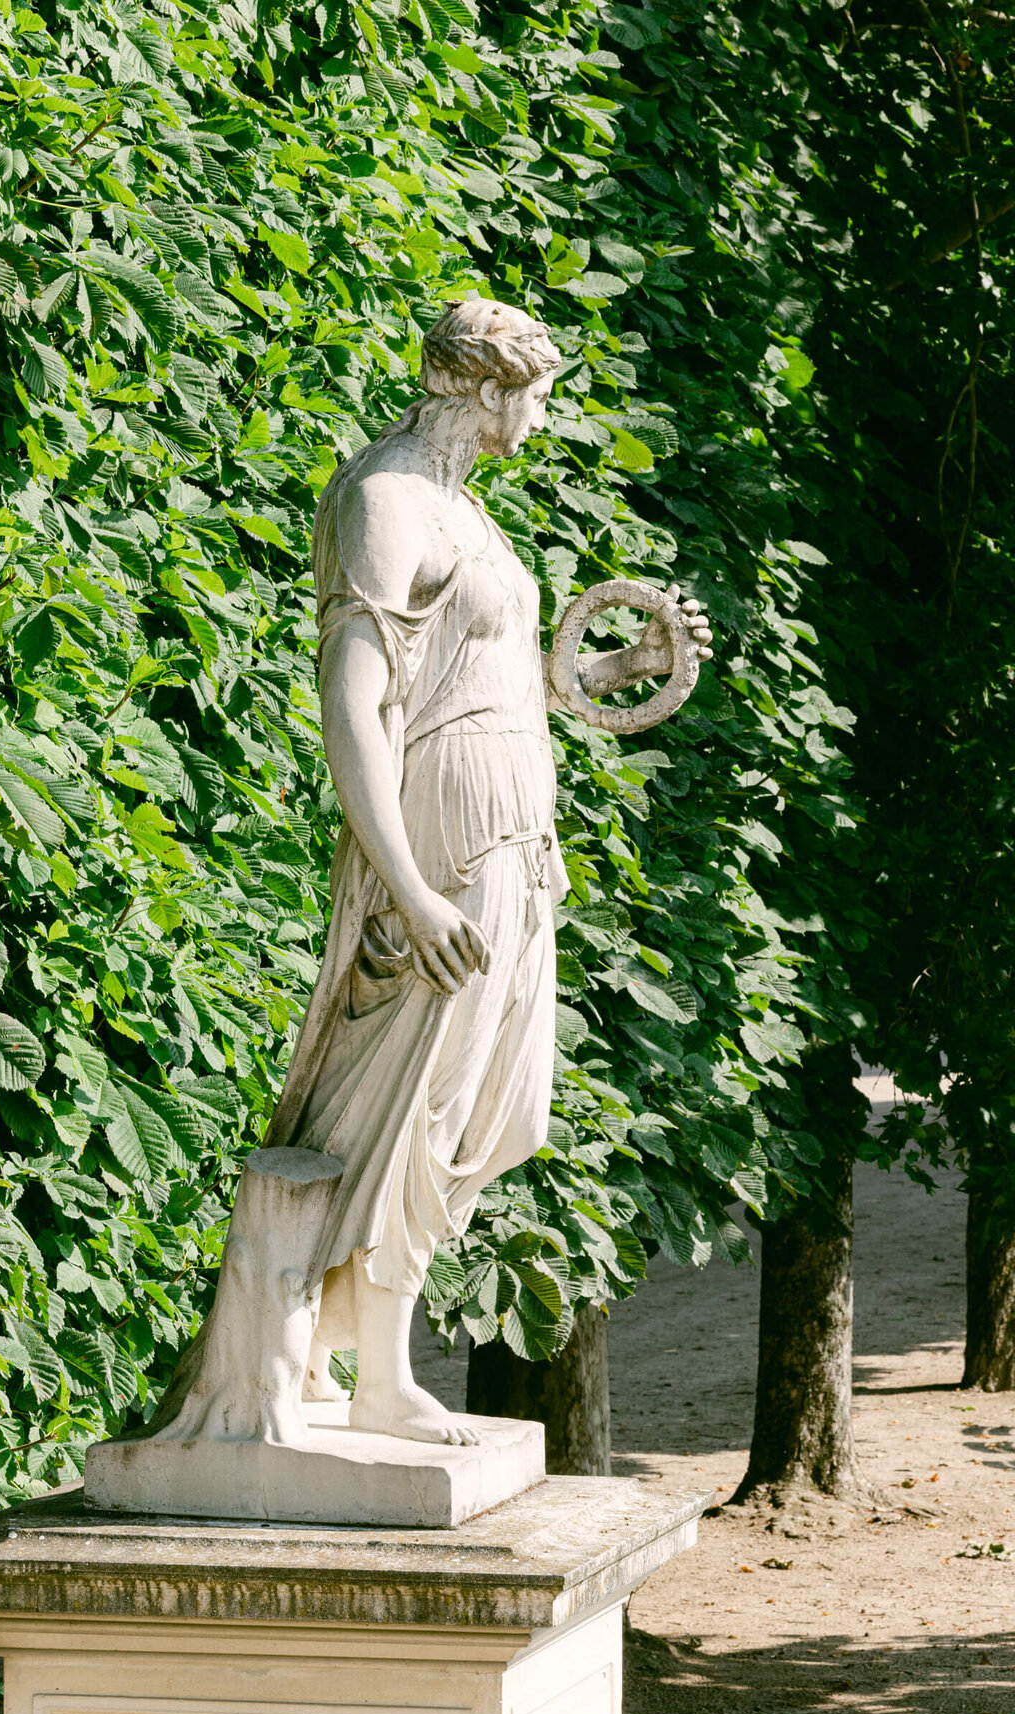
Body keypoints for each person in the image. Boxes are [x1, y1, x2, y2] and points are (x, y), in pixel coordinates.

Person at [264, 298, 712, 1445]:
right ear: (483, 389)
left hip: (514, 833)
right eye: (539, 391)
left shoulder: (464, 512)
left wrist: (625, 664)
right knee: (420, 1095)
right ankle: (376, 1381)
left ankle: (341, 1353)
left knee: (485, 1106)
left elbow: (513, 677)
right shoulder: (385, 501)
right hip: (444, 832)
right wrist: (407, 889)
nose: (544, 414)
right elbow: (354, 707)